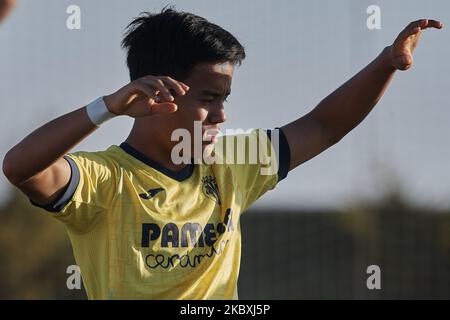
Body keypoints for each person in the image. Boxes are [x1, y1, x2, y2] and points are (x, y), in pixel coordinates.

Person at [2, 7, 442, 299]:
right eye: (210, 98)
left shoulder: (233, 164)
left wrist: (385, 63)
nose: (222, 115)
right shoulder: (106, 181)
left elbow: (323, 126)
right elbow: (20, 167)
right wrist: (106, 108)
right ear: (158, 91)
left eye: (225, 98)